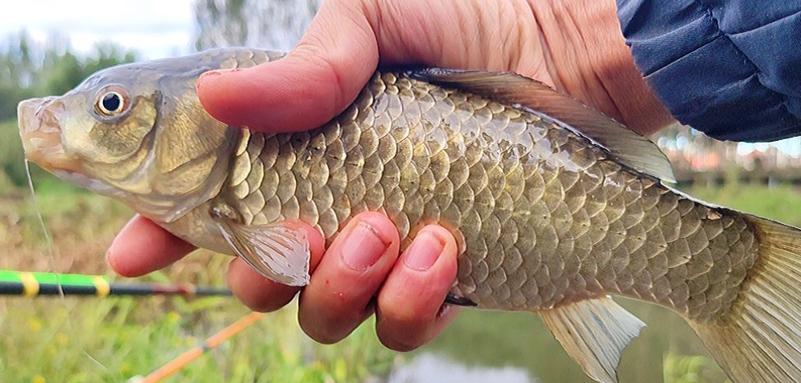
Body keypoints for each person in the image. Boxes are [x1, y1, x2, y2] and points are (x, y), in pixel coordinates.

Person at [105, 0, 801, 350]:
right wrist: (571, 38)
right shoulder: (211, 193)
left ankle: (735, 274)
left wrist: (564, 33)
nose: (99, 121)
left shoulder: (238, 122)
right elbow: (279, 261)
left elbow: (280, 259)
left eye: (113, 108)